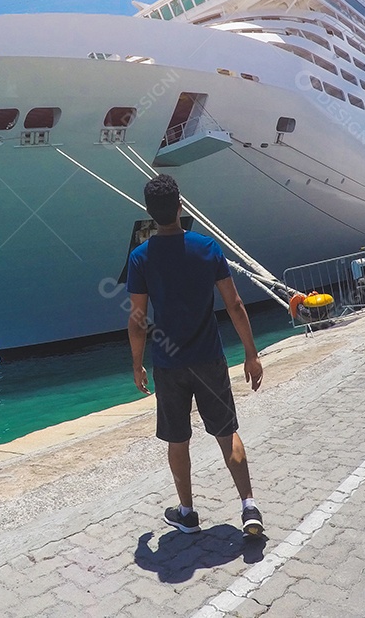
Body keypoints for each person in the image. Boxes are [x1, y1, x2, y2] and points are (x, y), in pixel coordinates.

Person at [126, 173, 265, 536]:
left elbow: (138, 320)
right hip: (209, 359)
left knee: (177, 439)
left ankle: (187, 512)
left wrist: (137, 364)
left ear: (149, 212)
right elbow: (234, 304)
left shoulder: (140, 258)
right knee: (226, 431)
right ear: (180, 206)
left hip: (169, 366)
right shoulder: (207, 248)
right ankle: (248, 506)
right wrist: (251, 354)